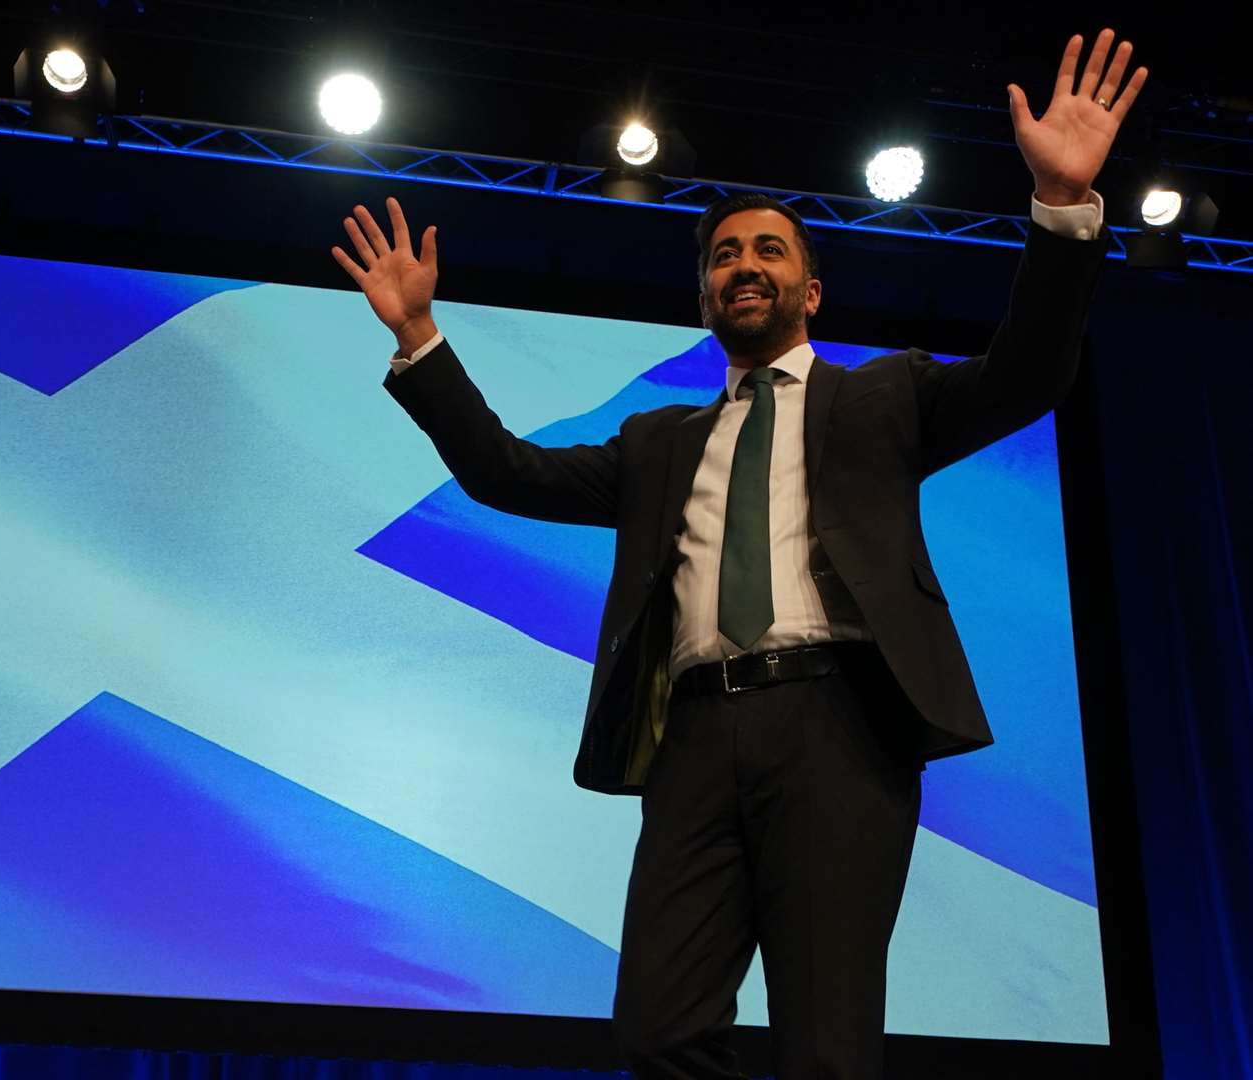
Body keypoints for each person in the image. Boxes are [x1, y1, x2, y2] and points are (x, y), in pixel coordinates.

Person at [331, 29, 1146, 1080]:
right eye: (723, 256)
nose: (744, 265)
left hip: (840, 728)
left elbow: (1027, 373)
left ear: (813, 293)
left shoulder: (884, 398)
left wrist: (1064, 212)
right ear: (706, 299)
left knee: (827, 1047)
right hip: (694, 739)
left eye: (769, 252)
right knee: (660, 1033)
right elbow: (507, 474)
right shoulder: (658, 443)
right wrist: (420, 342)